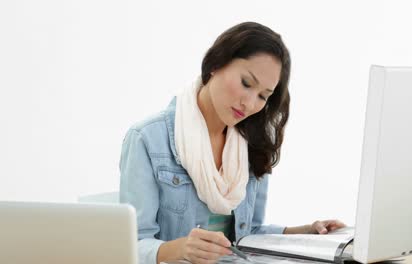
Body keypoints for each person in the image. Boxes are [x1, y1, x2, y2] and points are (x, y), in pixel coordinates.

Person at [119, 21, 346, 264]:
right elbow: (132, 245)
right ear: (217, 63)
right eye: (246, 83)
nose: (249, 103)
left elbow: (248, 237)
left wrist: (308, 233)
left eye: (262, 96)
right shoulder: (148, 139)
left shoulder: (251, 143)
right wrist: (181, 248)